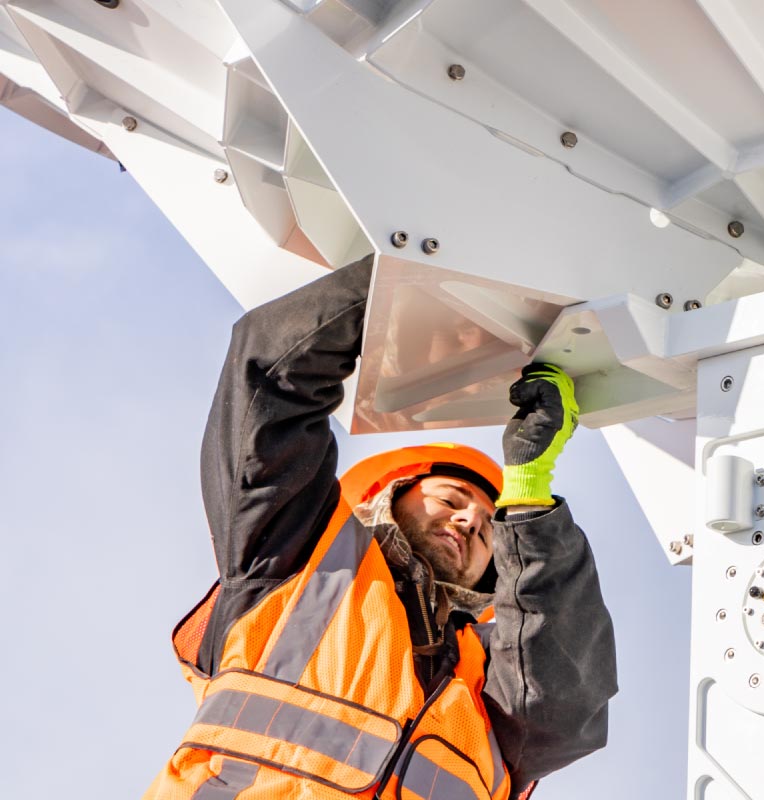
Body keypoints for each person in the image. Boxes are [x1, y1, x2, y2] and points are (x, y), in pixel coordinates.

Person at [145, 257, 617, 799]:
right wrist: (420, 267)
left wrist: (529, 494)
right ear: (385, 498)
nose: (469, 520)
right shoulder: (296, 566)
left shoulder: (484, 685)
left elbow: (563, 699)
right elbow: (271, 377)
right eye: (452, 498)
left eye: (490, 528)